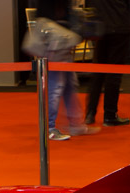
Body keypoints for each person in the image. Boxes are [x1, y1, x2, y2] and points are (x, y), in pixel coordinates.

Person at [34, 0, 100, 141]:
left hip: (61, 40)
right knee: (55, 87)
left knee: (70, 84)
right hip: (53, 42)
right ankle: (50, 128)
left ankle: (76, 124)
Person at [84, 0, 130, 126]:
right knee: (114, 74)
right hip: (119, 26)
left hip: (101, 28)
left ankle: (90, 113)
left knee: (98, 73)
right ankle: (110, 115)